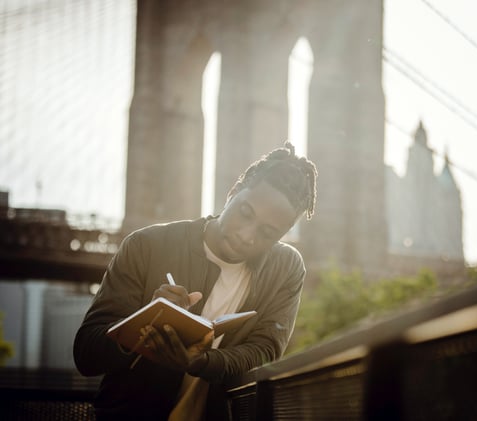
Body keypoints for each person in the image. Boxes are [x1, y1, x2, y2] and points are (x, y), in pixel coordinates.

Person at [73, 141, 317, 420]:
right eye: (245, 213)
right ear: (233, 192)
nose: (246, 236)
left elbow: (265, 351)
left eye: (267, 233)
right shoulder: (146, 245)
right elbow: (86, 354)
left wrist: (202, 362)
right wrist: (144, 323)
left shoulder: (286, 268)